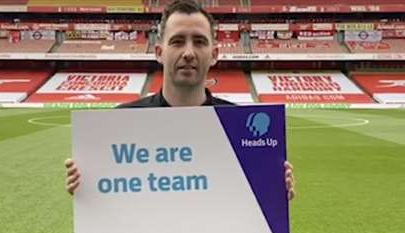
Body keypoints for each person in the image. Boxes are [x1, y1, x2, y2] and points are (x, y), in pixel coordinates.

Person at [63, 1, 295, 205]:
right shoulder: (118, 123)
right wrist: (87, 188)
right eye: (177, 41)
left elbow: (252, 210)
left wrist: (273, 190)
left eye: (199, 41)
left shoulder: (239, 125)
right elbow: (108, 207)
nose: (188, 52)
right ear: (158, 52)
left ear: (214, 54)